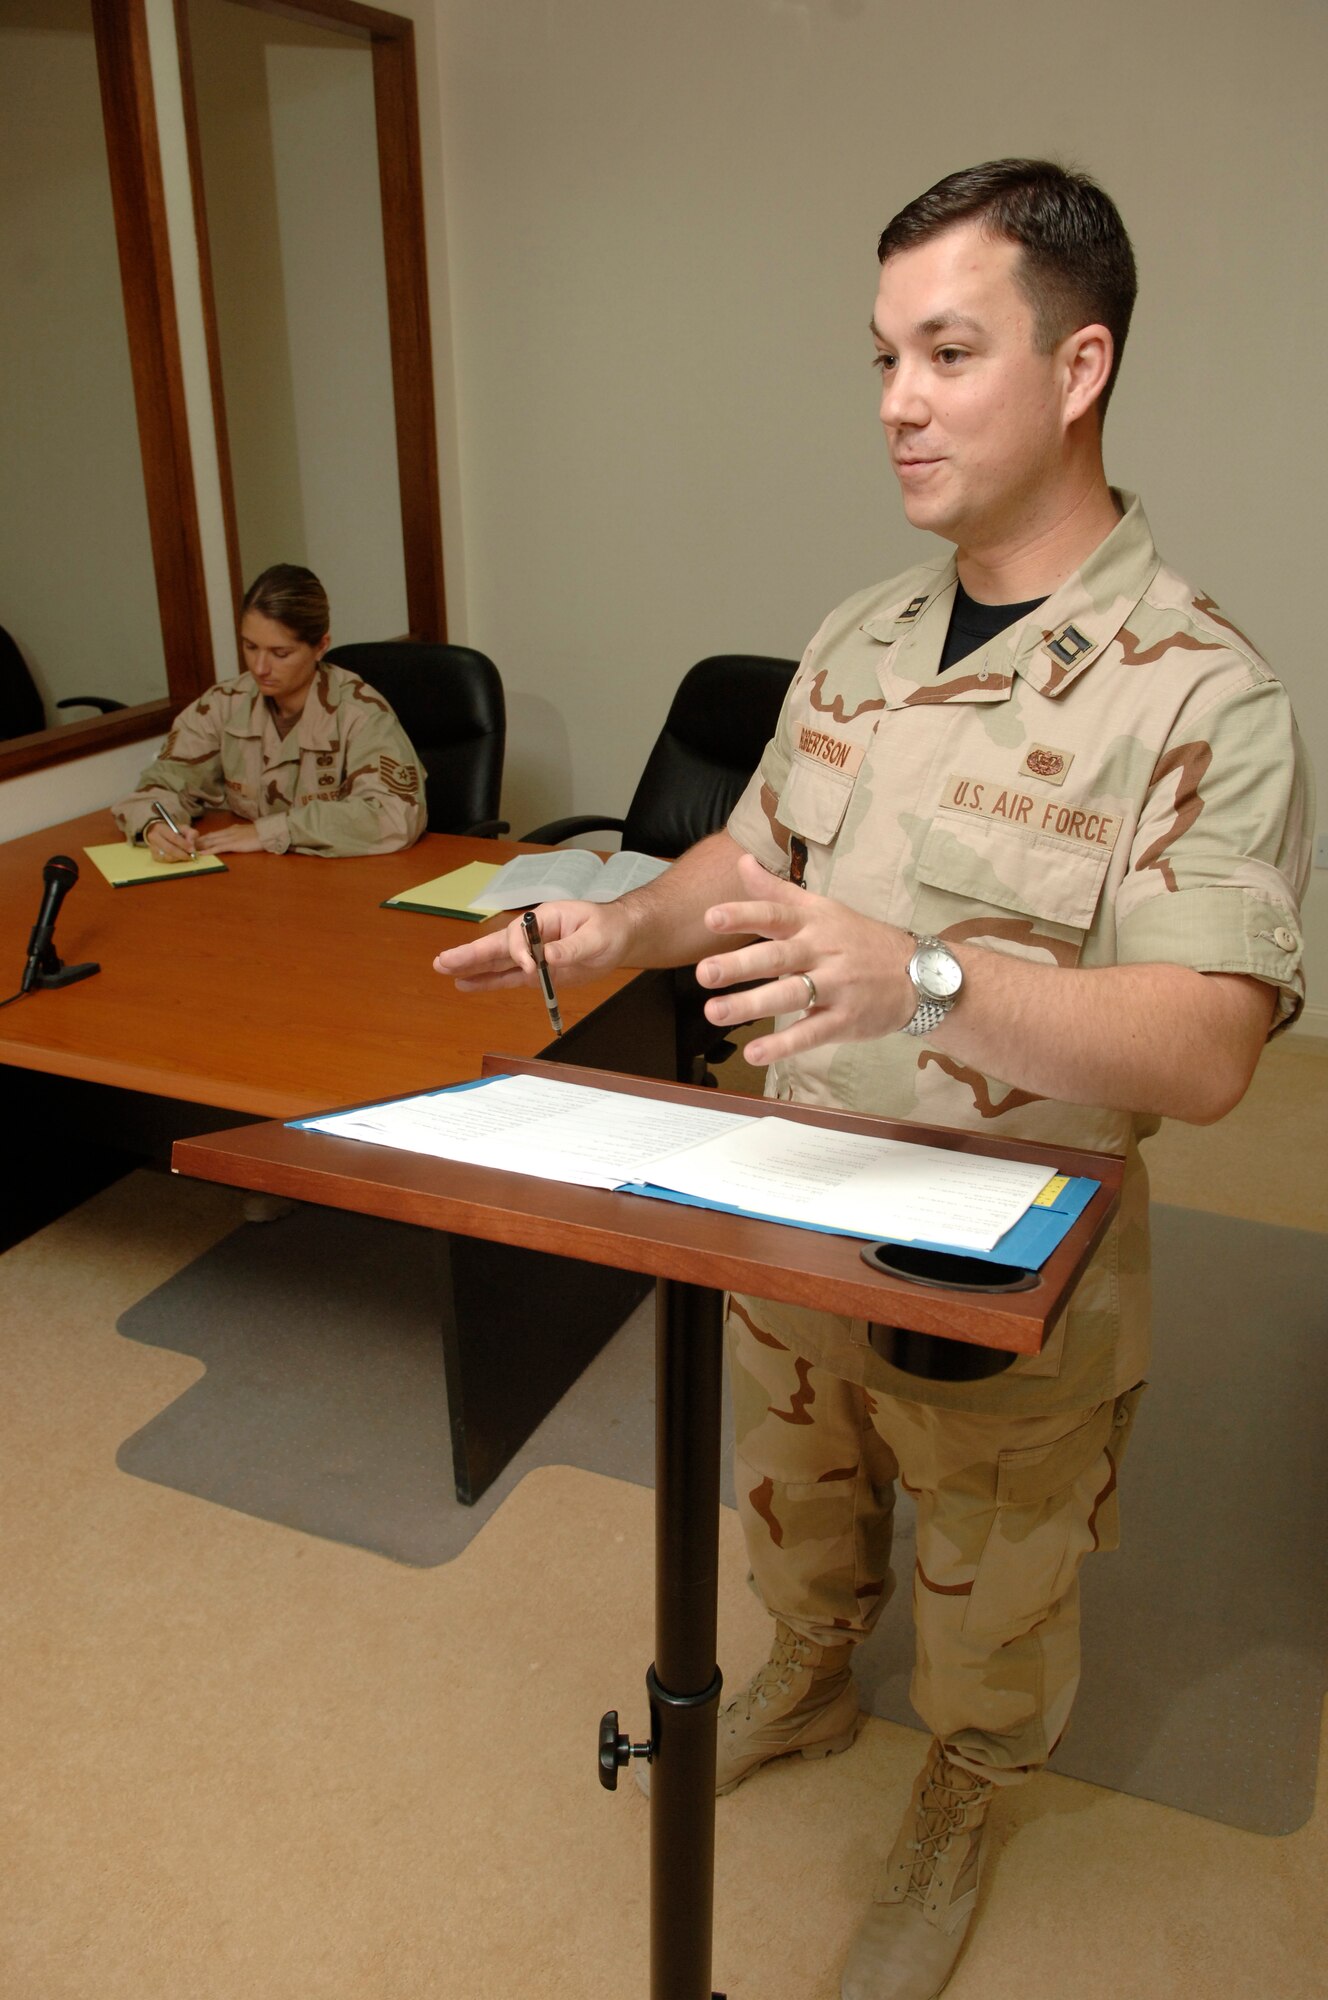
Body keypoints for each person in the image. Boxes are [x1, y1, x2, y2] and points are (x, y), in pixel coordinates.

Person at [433, 160, 1312, 1999]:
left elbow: (1213, 1044)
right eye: (881, 356)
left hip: (1001, 1255)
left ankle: (965, 1787)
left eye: (945, 350)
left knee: (993, 1586)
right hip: (794, 1191)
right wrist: (613, 932)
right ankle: (814, 1675)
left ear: (1077, 370)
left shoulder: (1196, 694)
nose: (895, 399)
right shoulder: (857, 636)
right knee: (799, 1494)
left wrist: (923, 973)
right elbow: (744, 864)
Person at [114, 564, 426, 858]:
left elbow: (396, 815)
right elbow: (164, 781)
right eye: (250, 647)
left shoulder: (361, 714)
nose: (260, 668)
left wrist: (271, 832)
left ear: (320, 646)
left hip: (338, 883)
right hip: (257, 882)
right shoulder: (223, 705)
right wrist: (155, 824)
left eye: (280, 653)